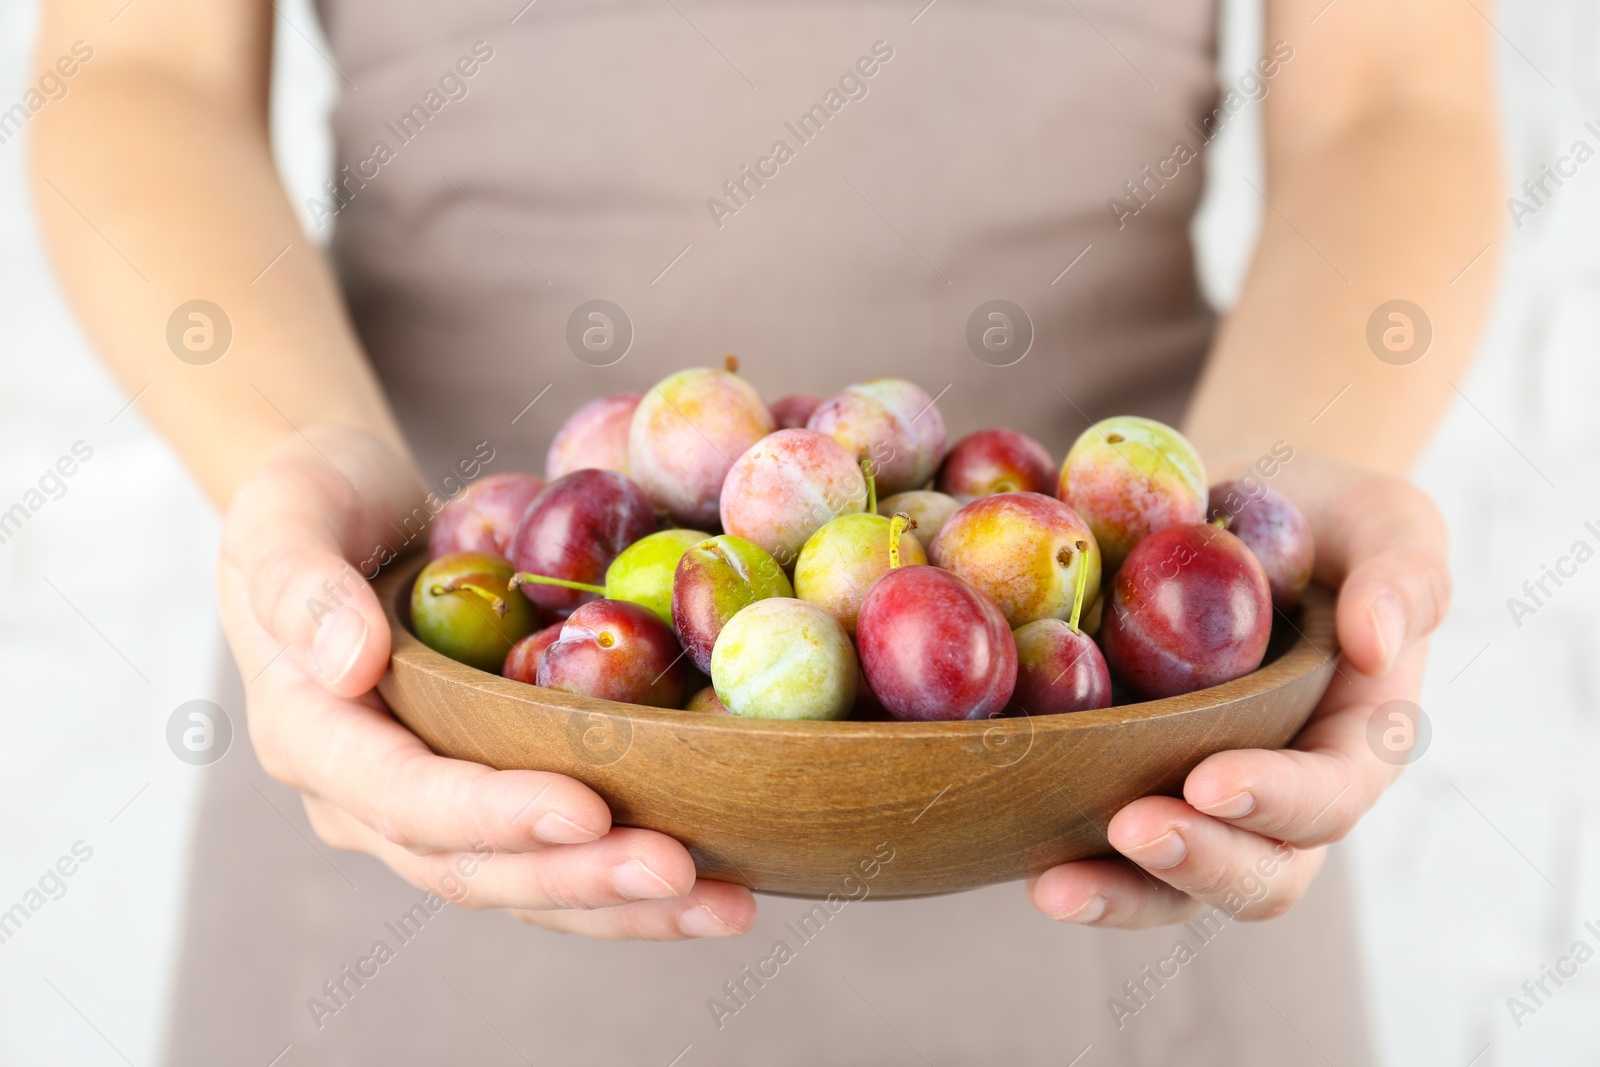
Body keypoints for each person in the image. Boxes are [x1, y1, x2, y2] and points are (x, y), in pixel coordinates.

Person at [32, 0, 1500, 1062]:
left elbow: (1394, 95)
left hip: (1130, 733)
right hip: (443, 741)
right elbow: (137, 66)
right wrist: (292, 459)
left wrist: (1291, 491)